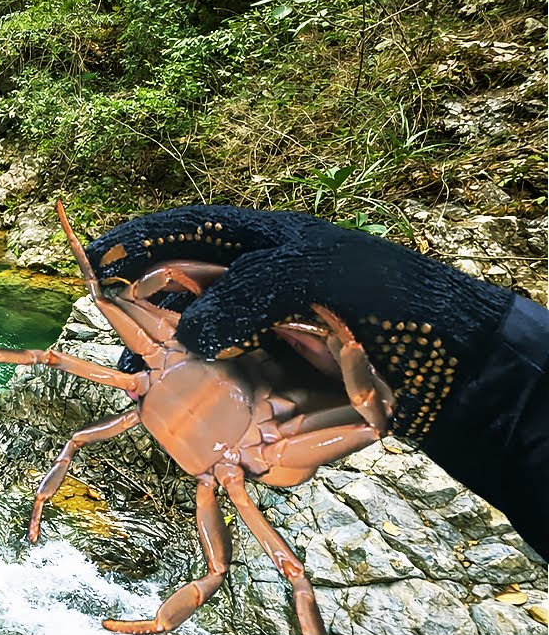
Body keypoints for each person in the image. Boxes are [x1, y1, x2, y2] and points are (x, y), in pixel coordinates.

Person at [80, 204, 547, 558]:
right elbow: (371, 420)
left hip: (247, 435)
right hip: (261, 441)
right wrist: (488, 367)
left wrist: (490, 374)